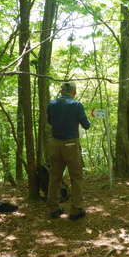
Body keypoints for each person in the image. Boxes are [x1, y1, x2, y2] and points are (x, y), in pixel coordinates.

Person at [47, 82, 91, 220]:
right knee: (76, 177)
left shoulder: (52, 104)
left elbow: (50, 121)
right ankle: (76, 209)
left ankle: (53, 208)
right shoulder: (76, 105)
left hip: (54, 144)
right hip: (70, 144)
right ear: (73, 92)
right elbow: (86, 125)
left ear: (62, 92)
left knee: (55, 176)